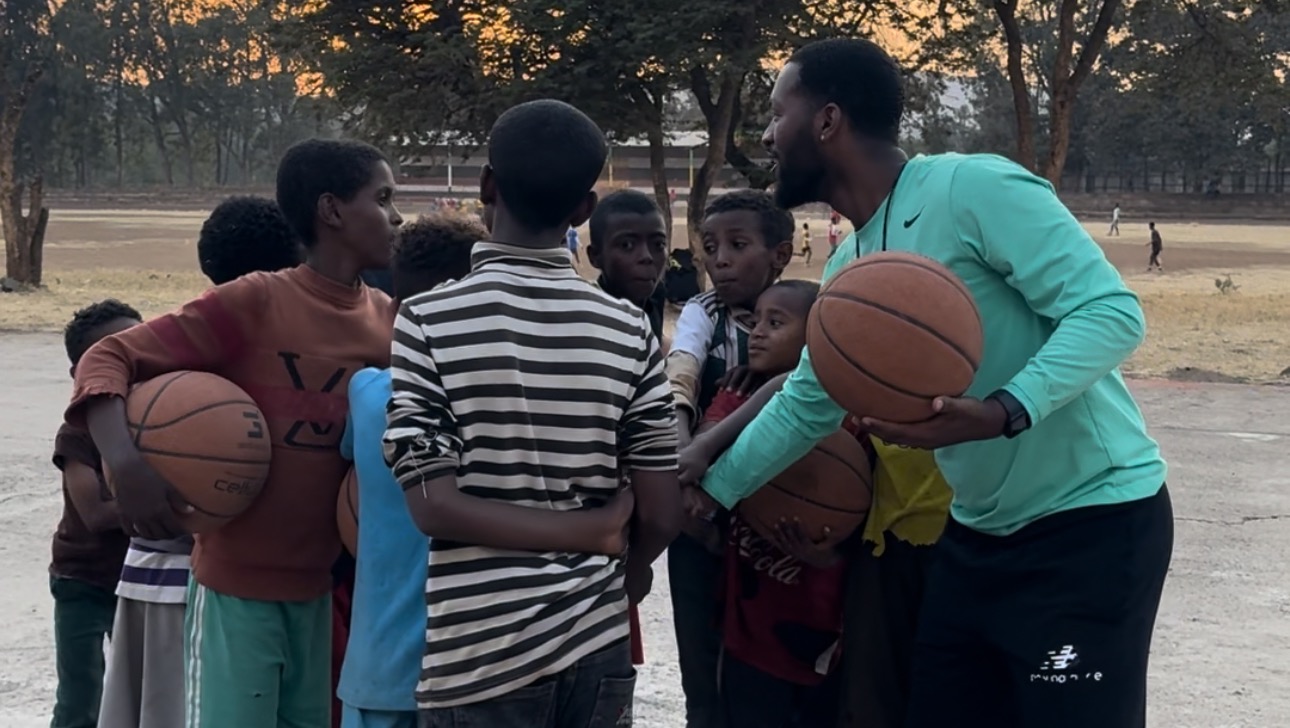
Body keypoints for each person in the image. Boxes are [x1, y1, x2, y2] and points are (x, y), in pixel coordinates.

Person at [699, 38, 1172, 728]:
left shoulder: (970, 187)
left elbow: (1110, 312)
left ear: (827, 121)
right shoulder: (855, 263)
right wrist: (710, 494)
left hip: (1090, 528)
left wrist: (1002, 411)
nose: (768, 134)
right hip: (975, 538)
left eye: (777, 113)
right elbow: (808, 401)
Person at [66, 138, 403, 728]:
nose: (396, 216)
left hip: (325, 596)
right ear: (332, 211)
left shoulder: (389, 322)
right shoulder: (255, 300)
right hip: (235, 592)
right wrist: (125, 461)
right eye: (383, 198)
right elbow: (106, 358)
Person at [384, 99, 683, 727]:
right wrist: (603, 549)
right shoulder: (628, 328)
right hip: (597, 651)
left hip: (479, 660)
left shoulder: (428, 319)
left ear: (487, 186)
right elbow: (659, 510)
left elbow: (433, 507)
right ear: (584, 211)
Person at [95, 197, 303, 728]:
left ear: (207, 269)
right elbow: (103, 361)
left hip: (200, 576)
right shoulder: (203, 352)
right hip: (185, 576)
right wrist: (127, 464)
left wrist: (121, 458)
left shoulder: (195, 344)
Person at [680, 280, 854, 728]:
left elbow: (860, 517)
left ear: (819, 337)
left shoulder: (850, 414)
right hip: (748, 627)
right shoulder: (733, 395)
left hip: (821, 621)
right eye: (754, 320)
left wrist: (828, 554)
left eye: (775, 323)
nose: (756, 332)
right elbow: (698, 480)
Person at [339, 213, 483, 728]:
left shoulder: (367, 392)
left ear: (397, 311)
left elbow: (348, 456)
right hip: (477, 670)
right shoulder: (503, 399)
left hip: (380, 668)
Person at [663, 188, 793, 728]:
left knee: (770, 672)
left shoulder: (813, 312)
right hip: (700, 520)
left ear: (780, 255)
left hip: (776, 527)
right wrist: (683, 467)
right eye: (710, 246)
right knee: (702, 669)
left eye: (738, 245)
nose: (719, 259)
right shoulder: (703, 312)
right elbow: (679, 384)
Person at [50, 301, 139, 728]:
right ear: (78, 375)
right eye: (108, 354)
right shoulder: (77, 431)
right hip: (82, 579)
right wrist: (175, 501)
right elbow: (96, 514)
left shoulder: (165, 419)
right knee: (81, 699)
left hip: (139, 578)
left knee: (142, 695)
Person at [587, 188, 669, 341]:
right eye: (627, 245)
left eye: (658, 244)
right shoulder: (588, 319)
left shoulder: (655, 297)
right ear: (595, 256)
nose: (647, 256)